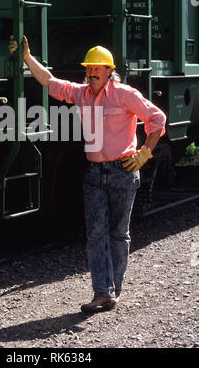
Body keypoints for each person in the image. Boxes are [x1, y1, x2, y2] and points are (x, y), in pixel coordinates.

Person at [9, 35, 166, 313]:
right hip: (94, 174)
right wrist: (26, 58)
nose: (91, 73)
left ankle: (113, 289)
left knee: (118, 233)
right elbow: (49, 81)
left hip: (123, 172)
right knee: (95, 233)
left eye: (97, 69)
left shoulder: (125, 94)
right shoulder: (81, 93)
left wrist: (144, 153)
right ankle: (103, 293)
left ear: (109, 71)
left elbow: (157, 119)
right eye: (88, 69)